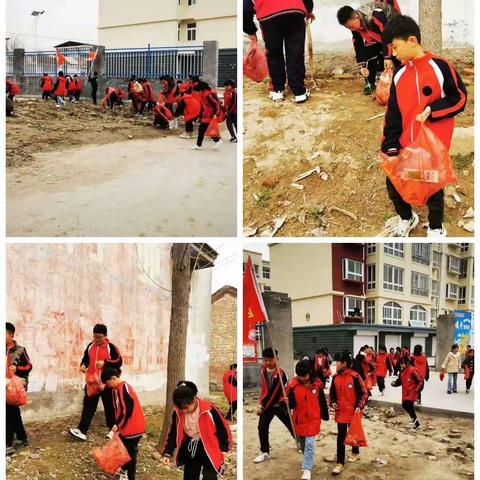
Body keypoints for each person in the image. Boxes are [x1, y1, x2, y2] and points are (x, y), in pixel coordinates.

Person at [381, 15, 467, 237]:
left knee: (432, 189)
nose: (394, 54)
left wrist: (434, 110)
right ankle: (407, 218)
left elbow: (459, 98)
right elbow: (392, 114)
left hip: (433, 147)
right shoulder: (399, 74)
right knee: (395, 185)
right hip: (405, 146)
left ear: (412, 41)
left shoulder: (440, 66)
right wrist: (390, 146)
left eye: (395, 47)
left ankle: (436, 227)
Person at [244, 0, 314, 103]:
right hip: (294, 11)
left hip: (268, 16)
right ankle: (299, 92)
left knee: (274, 54)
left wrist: (250, 30)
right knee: (295, 52)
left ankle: (278, 91)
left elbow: (245, 9)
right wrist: (308, 10)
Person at [162, 381, 232, 480]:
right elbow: (174, 432)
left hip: (209, 447)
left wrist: (224, 449)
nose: (184, 411)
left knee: (210, 476)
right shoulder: (178, 412)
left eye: (186, 408)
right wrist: (168, 453)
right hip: (190, 447)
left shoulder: (209, 410)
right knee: (190, 476)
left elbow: (223, 429)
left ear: (194, 399)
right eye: (180, 409)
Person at [69, 324, 123, 441]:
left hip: (107, 383)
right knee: (88, 406)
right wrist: (83, 365)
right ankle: (82, 430)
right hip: (92, 382)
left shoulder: (111, 347)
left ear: (105, 336)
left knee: (110, 407)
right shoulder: (90, 346)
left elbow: (119, 361)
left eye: (99, 337)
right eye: (95, 337)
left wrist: (106, 363)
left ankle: (113, 430)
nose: (97, 340)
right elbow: (85, 358)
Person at [336, 1, 400, 94]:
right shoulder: (355, 26)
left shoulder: (375, 15)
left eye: (352, 26)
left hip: (394, 32)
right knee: (368, 55)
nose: (352, 29)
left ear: (357, 17)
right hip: (377, 36)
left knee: (395, 57)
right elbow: (358, 44)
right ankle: (370, 83)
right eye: (349, 28)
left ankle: (398, 82)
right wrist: (362, 65)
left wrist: (388, 57)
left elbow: (387, 34)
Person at [100, 368, 145, 480]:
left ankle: (130, 476)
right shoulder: (117, 389)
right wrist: (117, 424)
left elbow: (127, 410)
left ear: (114, 378)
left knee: (130, 453)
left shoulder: (123, 388)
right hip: (127, 427)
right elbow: (120, 410)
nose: (108, 386)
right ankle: (124, 470)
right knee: (124, 449)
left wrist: (118, 425)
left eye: (108, 383)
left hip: (133, 428)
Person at [287, 360, 329, 480]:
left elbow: (322, 402)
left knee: (310, 444)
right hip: (299, 420)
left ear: (309, 373)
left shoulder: (317, 385)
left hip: (313, 419)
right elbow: (290, 404)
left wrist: (324, 415)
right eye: (299, 375)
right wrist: (287, 402)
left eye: (304, 375)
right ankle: (307, 459)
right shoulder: (293, 386)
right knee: (303, 445)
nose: (302, 378)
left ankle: (306, 469)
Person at [253, 347, 295, 463]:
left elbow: (274, 394)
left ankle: (301, 443)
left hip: (280, 404)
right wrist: (263, 403)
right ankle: (265, 452)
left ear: (277, 359)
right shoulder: (263, 370)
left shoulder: (280, 374)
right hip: (268, 405)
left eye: (270, 360)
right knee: (262, 427)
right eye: (265, 360)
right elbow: (265, 389)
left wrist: (263, 407)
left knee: (291, 426)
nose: (268, 363)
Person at [330, 351, 368, 476]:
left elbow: (363, 393)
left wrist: (359, 405)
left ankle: (355, 452)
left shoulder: (355, 376)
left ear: (344, 363)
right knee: (341, 436)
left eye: (338, 362)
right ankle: (340, 462)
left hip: (353, 411)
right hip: (340, 411)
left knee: (353, 433)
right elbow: (332, 392)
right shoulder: (335, 377)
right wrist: (333, 401)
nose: (336, 364)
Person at [6, 322, 32, 456]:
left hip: (15, 387)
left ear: (11, 335)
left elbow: (29, 366)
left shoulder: (20, 350)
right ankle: (22, 437)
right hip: (4, 385)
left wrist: (17, 369)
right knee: (12, 412)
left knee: (8, 412)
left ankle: (7, 444)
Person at [391, 355, 423, 431]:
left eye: (402, 363)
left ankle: (416, 424)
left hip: (412, 392)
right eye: (400, 364)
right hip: (405, 392)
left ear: (407, 363)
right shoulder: (402, 371)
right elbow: (399, 381)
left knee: (407, 405)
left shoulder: (413, 370)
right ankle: (415, 422)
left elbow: (420, 381)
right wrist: (394, 383)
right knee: (405, 405)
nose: (401, 365)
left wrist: (416, 391)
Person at [191, 81, 222, 150]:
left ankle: (216, 140)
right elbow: (204, 107)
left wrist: (216, 114)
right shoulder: (204, 94)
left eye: (197, 91)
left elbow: (216, 104)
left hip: (210, 115)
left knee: (203, 129)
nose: (197, 93)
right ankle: (216, 140)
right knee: (205, 129)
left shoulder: (208, 95)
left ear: (200, 89)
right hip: (207, 115)